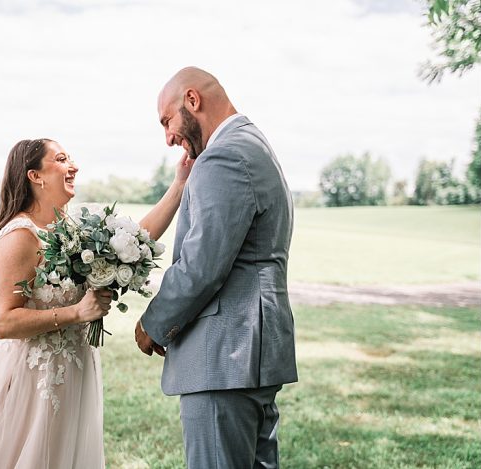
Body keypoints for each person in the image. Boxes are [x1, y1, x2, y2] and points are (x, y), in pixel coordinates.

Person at [0, 138, 191, 468]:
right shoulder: (21, 236)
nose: (74, 166)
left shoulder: (70, 229)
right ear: (35, 176)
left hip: (73, 371)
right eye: (61, 159)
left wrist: (179, 184)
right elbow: (3, 322)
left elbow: (134, 242)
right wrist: (77, 312)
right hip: (31, 380)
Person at [135, 66, 299, 468]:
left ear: (193, 100)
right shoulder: (254, 144)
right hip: (252, 357)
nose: (169, 137)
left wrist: (153, 324)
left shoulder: (224, 155)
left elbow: (201, 267)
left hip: (224, 358)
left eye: (167, 121)